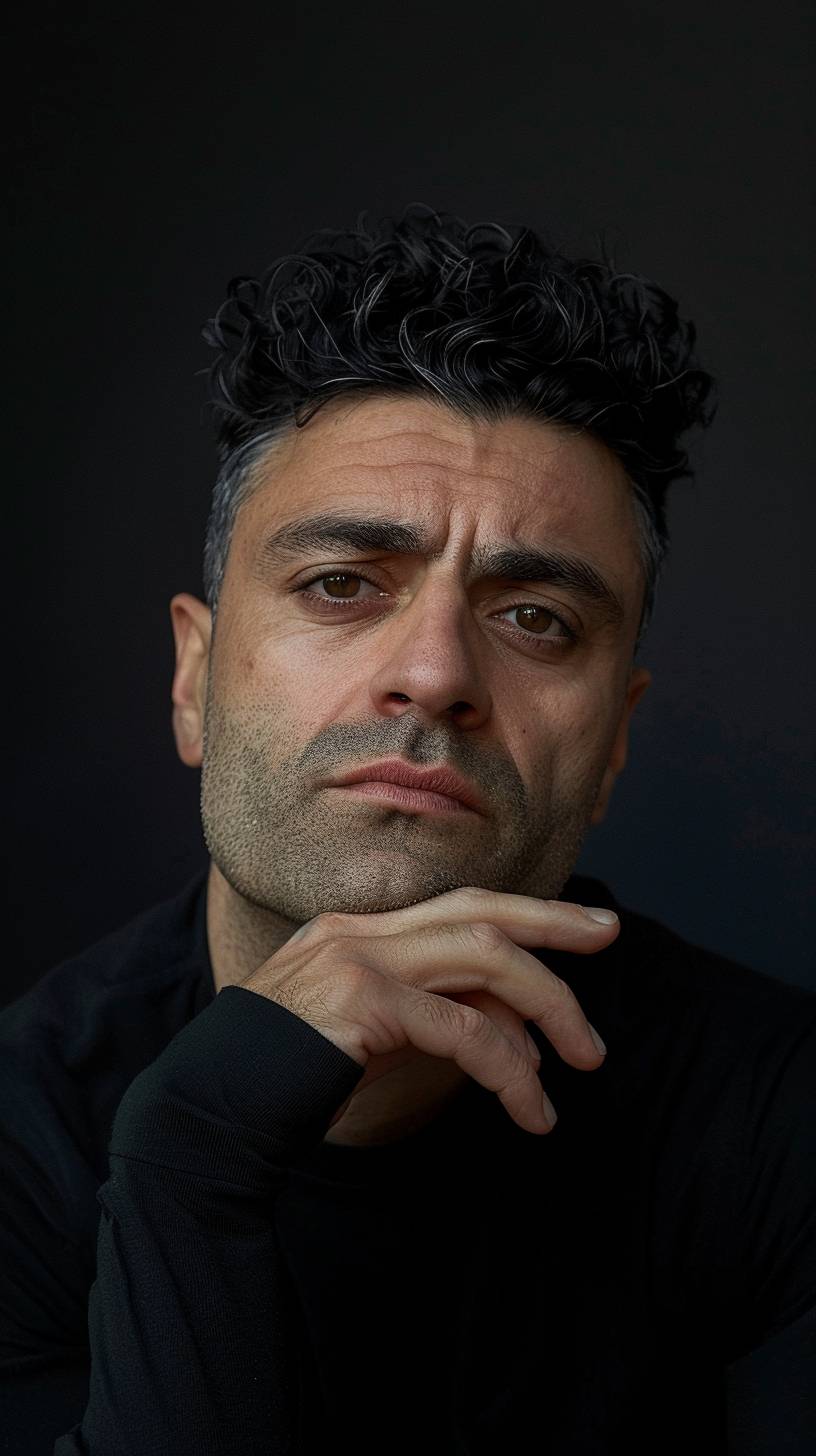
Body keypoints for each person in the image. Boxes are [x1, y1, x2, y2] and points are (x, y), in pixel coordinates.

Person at [1, 206, 813, 1455]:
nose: (435, 672)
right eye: (342, 583)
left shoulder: (779, 1123)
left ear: (614, 746)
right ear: (192, 679)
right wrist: (196, 1152)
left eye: (537, 616)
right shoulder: (22, 1138)